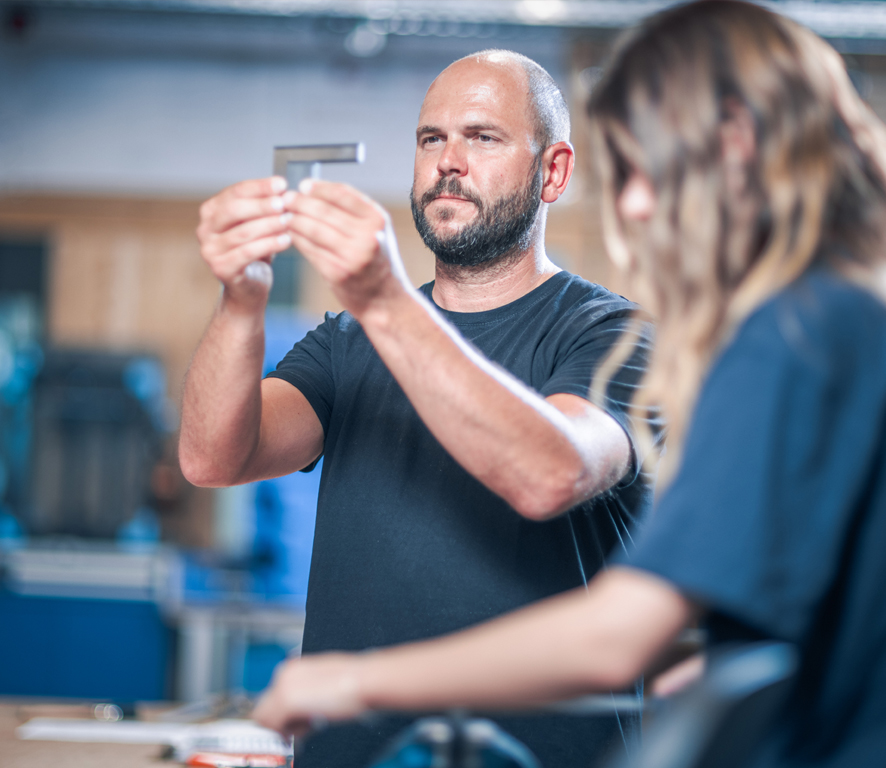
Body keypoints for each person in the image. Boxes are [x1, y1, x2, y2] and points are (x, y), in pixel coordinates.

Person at [251, 2, 886, 766]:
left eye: (650, 168)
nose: (636, 204)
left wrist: (355, 680)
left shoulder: (791, 336)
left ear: (738, 145)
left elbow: (619, 634)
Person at [179, 50, 653, 768]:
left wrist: (382, 299)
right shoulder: (347, 342)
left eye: (483, 137)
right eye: (432, 139)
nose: (448, 163)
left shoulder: (612, 336)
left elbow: (550, 472)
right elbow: (214, 457)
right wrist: (242, 297)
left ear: (553, 170)